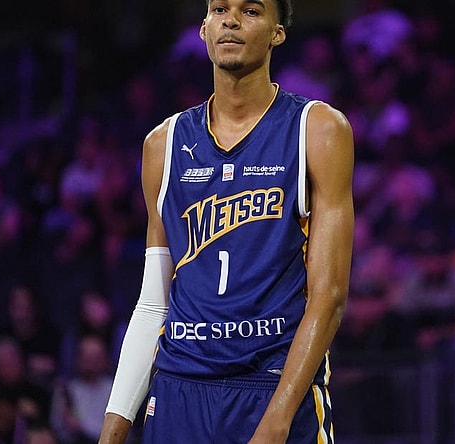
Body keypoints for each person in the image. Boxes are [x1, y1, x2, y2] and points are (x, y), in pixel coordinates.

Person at [98, 0, 355, 443]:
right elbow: (153, 303)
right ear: (203, 29)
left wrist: (277, 421)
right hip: (179, 389)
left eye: (251, 10)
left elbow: (328, 296)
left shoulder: (317, 129)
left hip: (270, 385)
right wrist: (113, 429)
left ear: (278, 33)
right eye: (220, 9)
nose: (232, 20)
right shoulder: (163, 144)